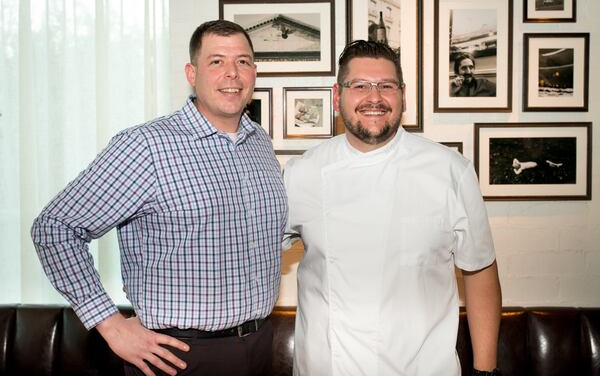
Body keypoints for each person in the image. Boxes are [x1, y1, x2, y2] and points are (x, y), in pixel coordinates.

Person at [31, 20, 288, 376]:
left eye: (242, 62)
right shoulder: (147, 146)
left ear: (254, 72)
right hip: (179, 356)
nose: (232, 73)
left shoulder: (258, 142)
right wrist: (109, 323)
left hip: (258, 345)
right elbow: (55, 227)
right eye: (217, 61)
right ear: (191, 72)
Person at [284, 40, 502, 376]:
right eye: (359, 86)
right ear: (336, 96)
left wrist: (486, 371)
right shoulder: (301, 174)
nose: (374, 98)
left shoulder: (450, 171)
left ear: (402, 94)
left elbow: (480, 270)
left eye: (386, 86)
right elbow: (248, 253)